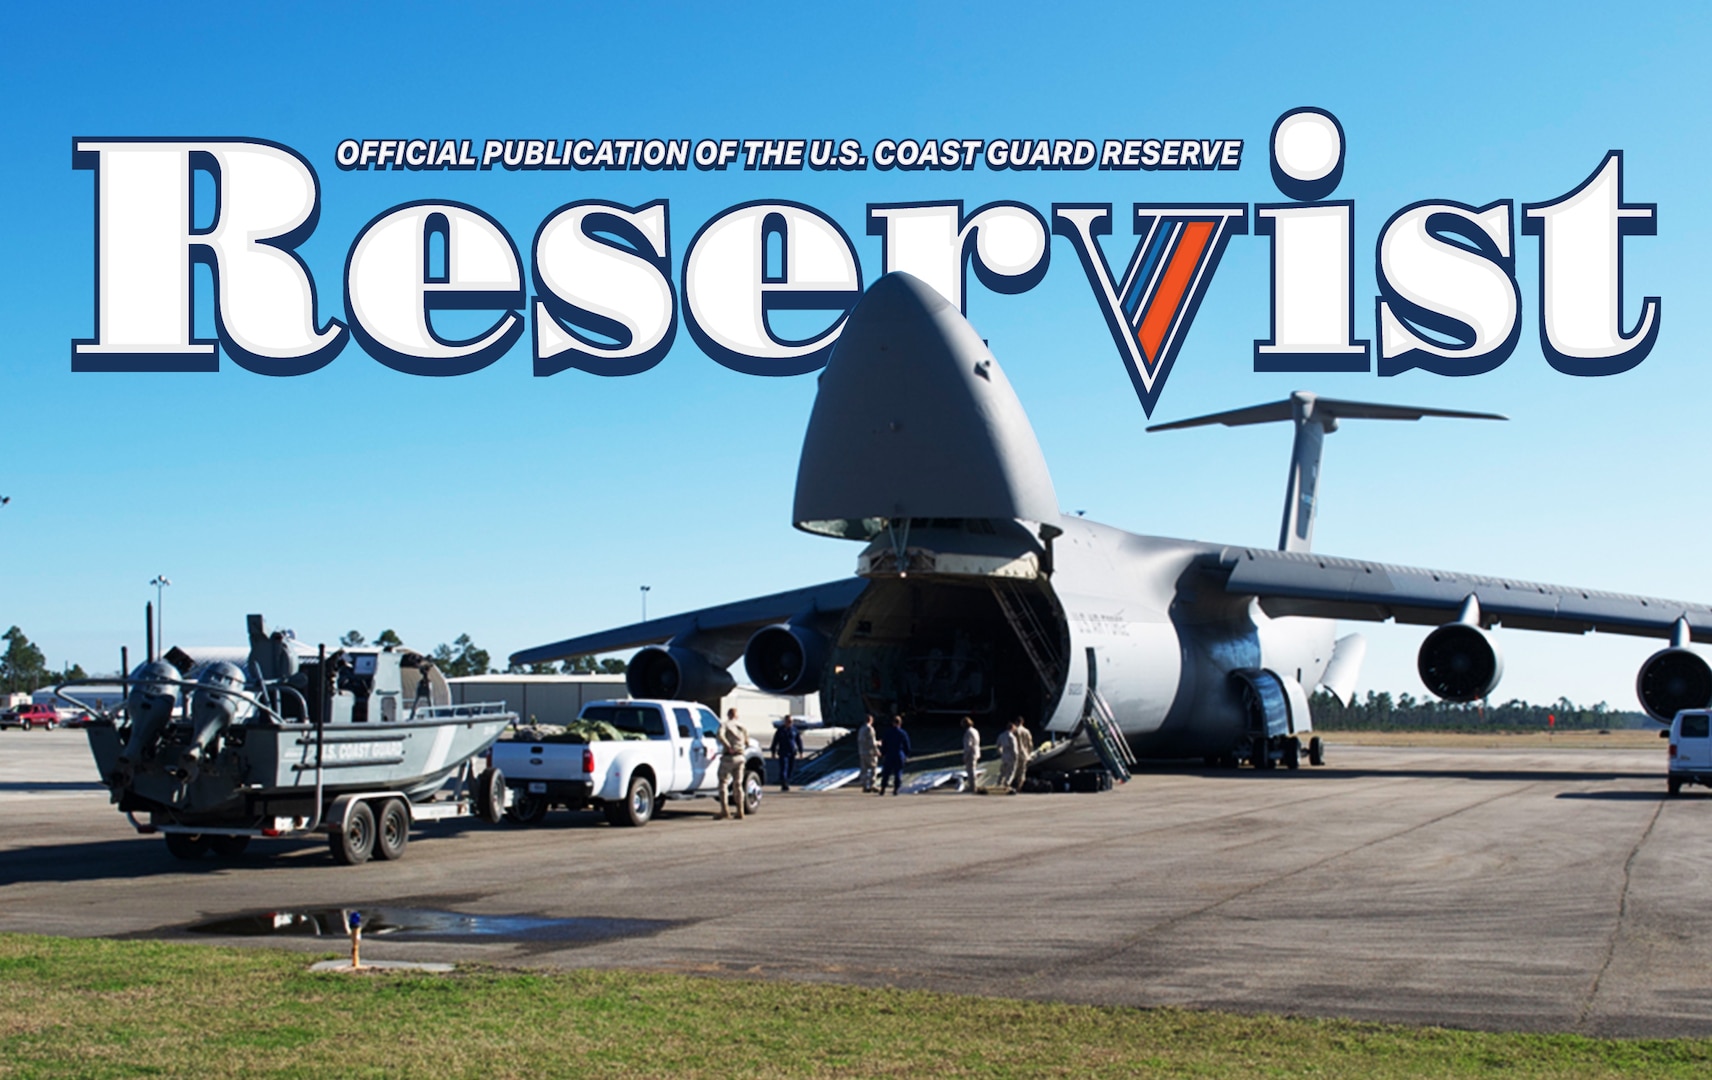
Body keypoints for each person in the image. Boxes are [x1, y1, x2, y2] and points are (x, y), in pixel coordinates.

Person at [715, 707, 749, 820]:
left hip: (729, 757)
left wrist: (728, 746)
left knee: (723, 783)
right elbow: (747, 742)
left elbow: (720, 735)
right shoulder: (742, 726)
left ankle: (724, 810)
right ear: (736, 715)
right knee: (738, 784)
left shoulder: (725, 724)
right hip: (740, 757)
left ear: (728, 715)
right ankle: (740, 810)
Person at [877, 715, 911, 795]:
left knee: (886, 772)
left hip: (889, 754)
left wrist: (882, 753)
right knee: (898, 772)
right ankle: (896, 789)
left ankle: (883, 788)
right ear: (900, 723)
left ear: (892, 723)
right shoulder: (903, 733)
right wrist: (906, 754)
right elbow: (907, 745)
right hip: (899, 754)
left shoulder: (888, 732)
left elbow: (884, 744)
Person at [770, 714, 803, 792]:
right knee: (784, 768)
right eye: (788, 721)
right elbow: (775, 741)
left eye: (791, 721)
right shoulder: (780, 730)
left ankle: (787, 781)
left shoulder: (794, 730)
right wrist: (773, 751)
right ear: (785, 722)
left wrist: (801, 751)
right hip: (783, 752)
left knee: (790, 769)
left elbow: (798, 741)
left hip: (792, 752)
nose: (789, 723)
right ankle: (784, 783)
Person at [856, 714, 879, 792]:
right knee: (873, 768)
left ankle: (865, 785)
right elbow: (872, 743)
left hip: (862, 751)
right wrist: (878, 747)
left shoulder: (861, 729)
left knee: (864, 769)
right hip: (870, 752)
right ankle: (872, 784)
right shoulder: (870, 729)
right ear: (870, 720)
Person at [1011, 716, 1035, 793]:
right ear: (1022, 722)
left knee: (1013, 771)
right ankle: (1019, 787)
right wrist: (1029, 753)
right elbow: (1030, 744)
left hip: (1015, 753)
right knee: (1022, 772)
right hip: (1024, 754)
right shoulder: (1027, 731)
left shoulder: (1014, 731)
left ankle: (1010, 786)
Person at [996, 719, 1018, 793]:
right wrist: (1016, 757)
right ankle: (1007, 784)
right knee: (1011, 771)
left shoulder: (1001, 735)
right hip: (1011, 754)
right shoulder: (1012, 737)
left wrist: (1001, 753)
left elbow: (998, 746)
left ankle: (999, 783)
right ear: (1012, 728)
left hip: (1004, 754)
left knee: (1002, 771)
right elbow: (1014, 748)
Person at [960, 716, 981, 793]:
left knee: (970, 771)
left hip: (971, 753)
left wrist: (965, 756)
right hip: (976, 751)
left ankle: (972, 787)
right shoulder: (975, 731)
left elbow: (968, 745)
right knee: (973, 769)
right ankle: (973, 785)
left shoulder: (968, 732)